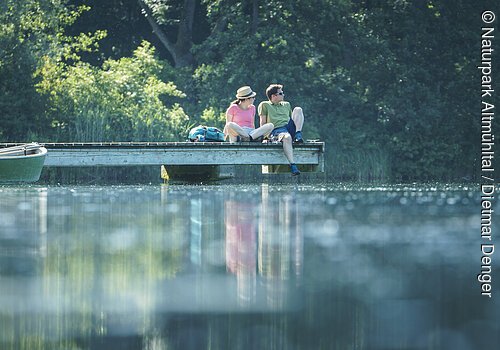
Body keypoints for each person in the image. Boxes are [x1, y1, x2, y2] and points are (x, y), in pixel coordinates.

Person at [258, 84, 304, 176]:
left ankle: (298, 134)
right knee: (286, 137)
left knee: (298, 109)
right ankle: (293, 165)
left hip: (288, 126)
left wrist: (294, 128)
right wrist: (265, 137)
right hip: (276, 130)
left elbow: (293, 118)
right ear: (273, 96)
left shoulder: (286, 104)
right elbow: (263, 123)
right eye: (281, 93)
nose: (283, 95)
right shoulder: (264, 105)